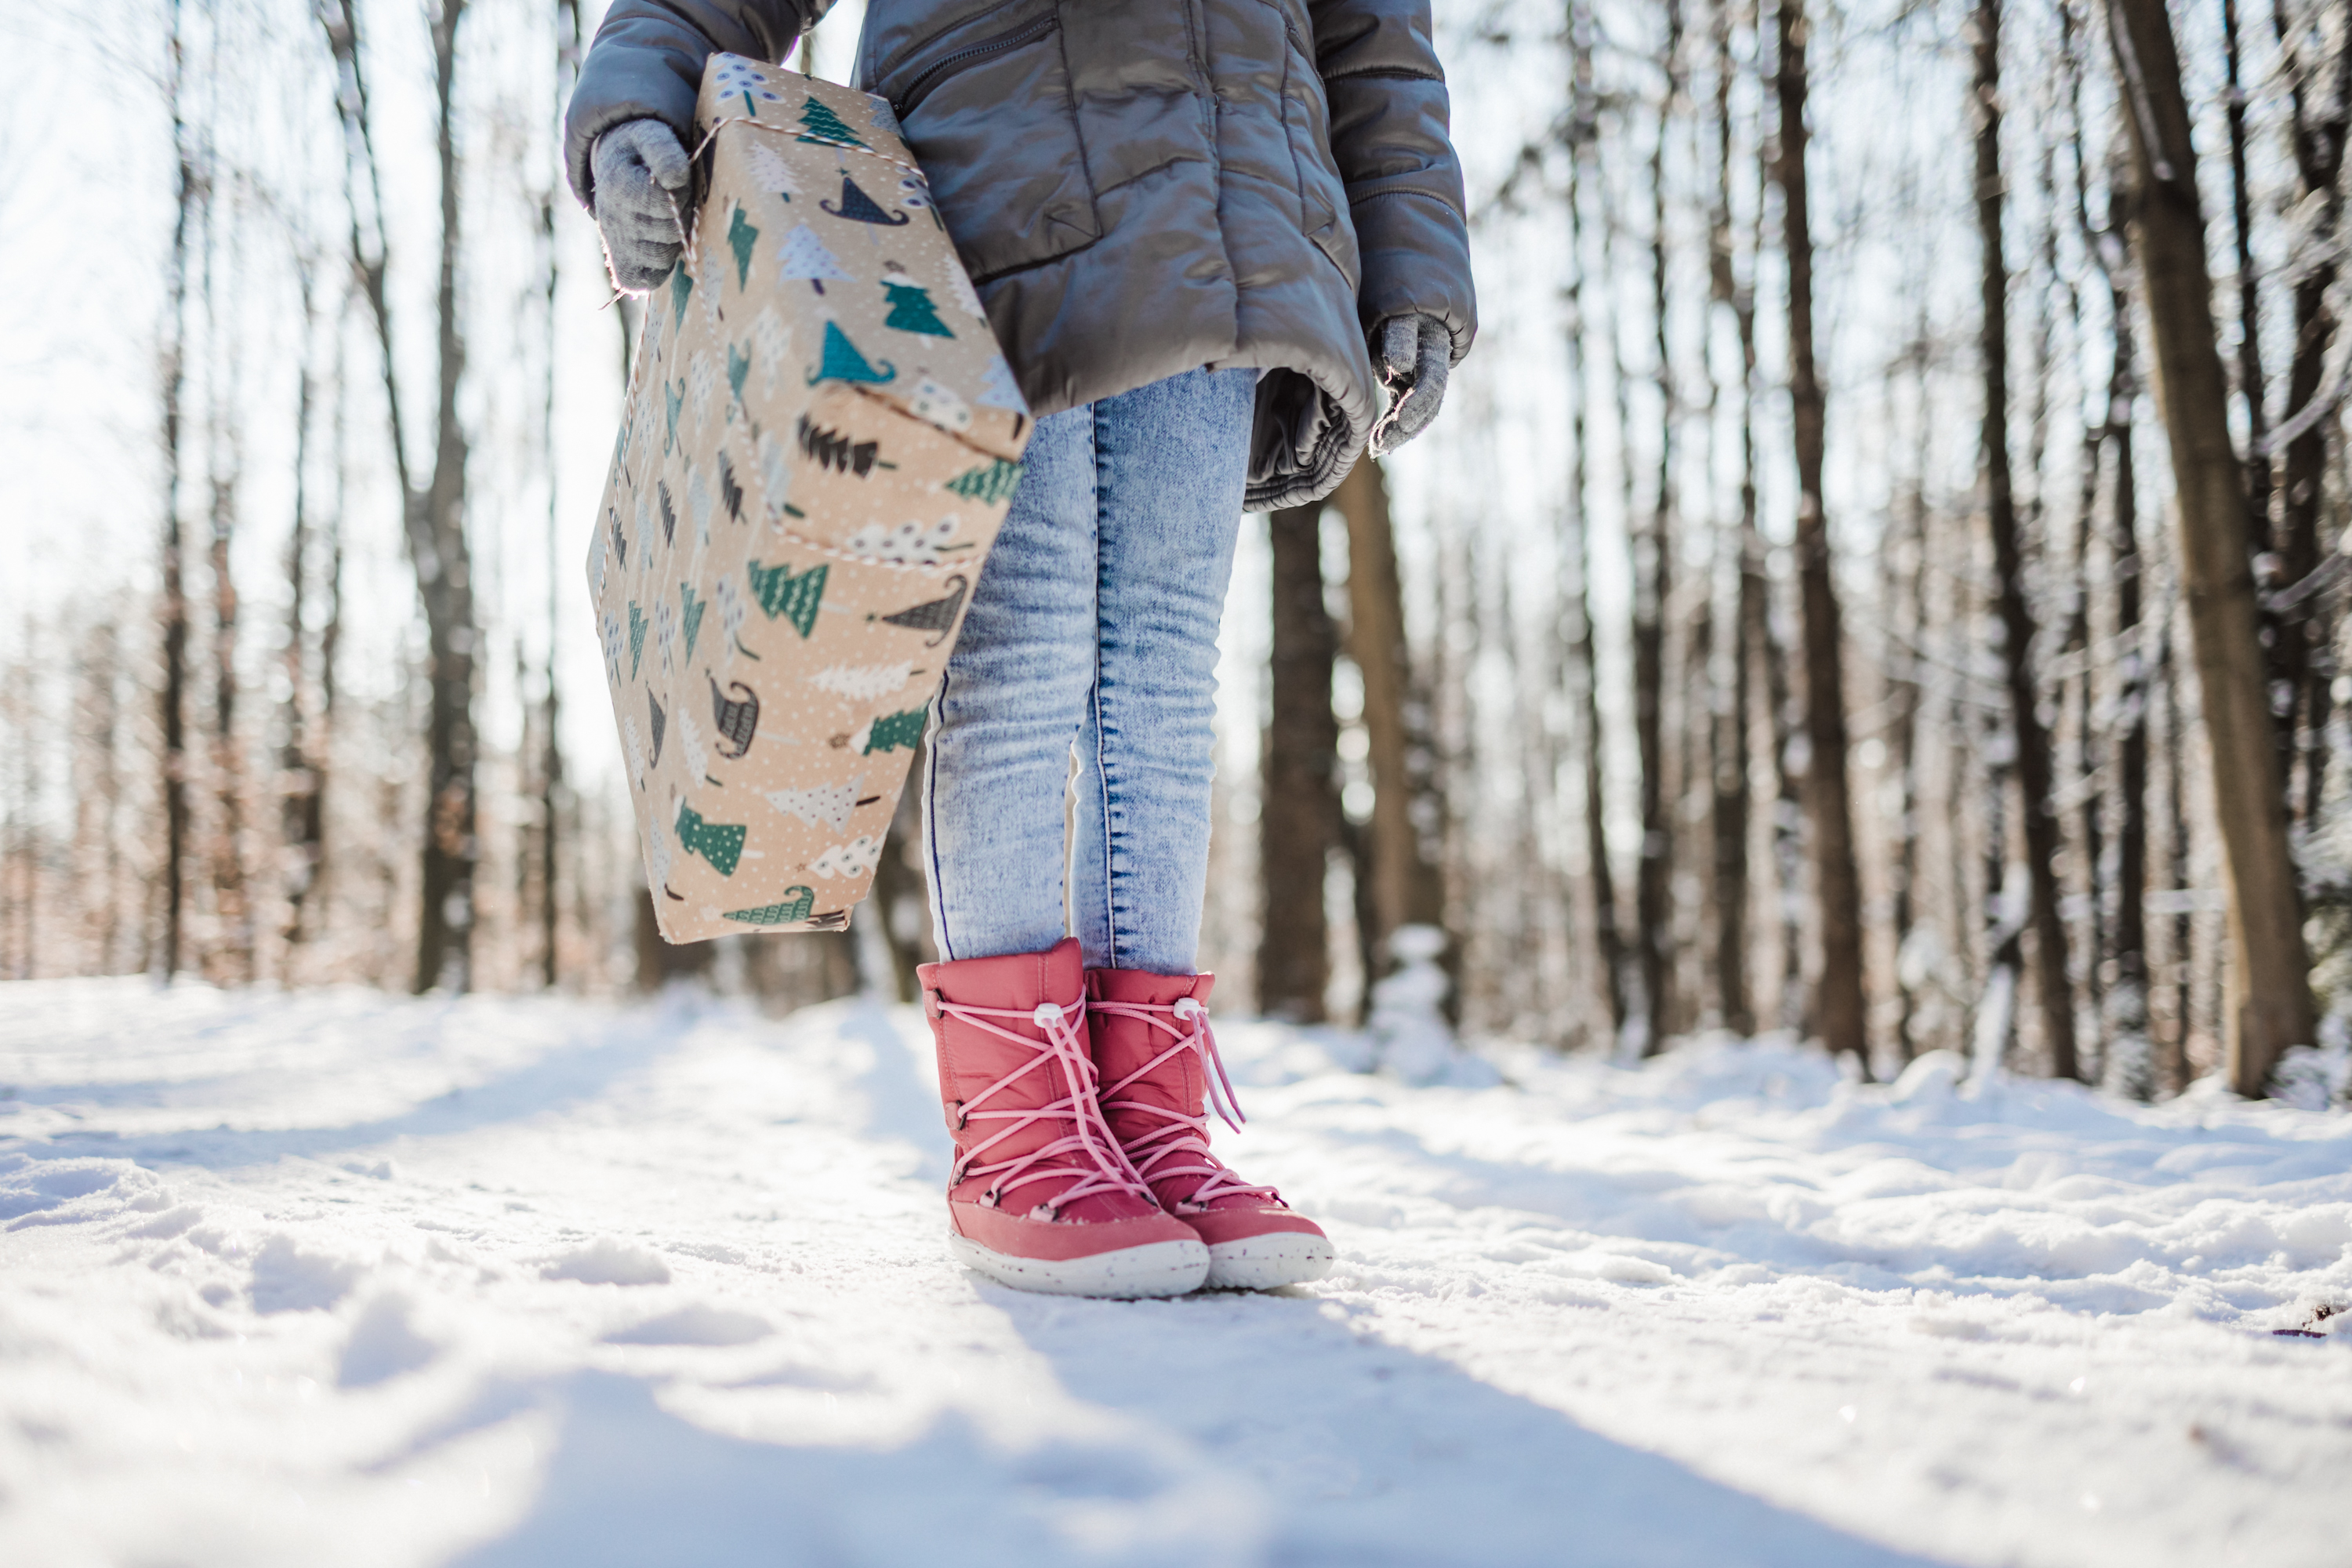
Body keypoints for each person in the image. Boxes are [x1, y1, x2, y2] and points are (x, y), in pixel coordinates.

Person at [566, 0, 1475, 1298]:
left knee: (1164, 682)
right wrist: (632, 104)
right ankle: (1018, 1135)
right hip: (997, 192)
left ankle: (1148, 1121)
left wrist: (1416, 262)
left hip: (1235, 211)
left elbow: (1376, 39)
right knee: (1023, 656)